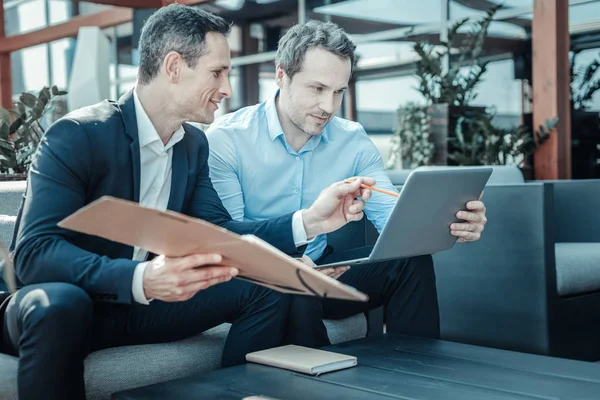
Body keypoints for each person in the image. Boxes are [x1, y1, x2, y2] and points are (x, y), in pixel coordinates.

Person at [2, 7, 375, 400]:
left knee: (264, 288)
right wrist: (140, 279)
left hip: (138, 305)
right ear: (174, 66)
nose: (228, 88)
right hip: (59, 304)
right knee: (61, 302)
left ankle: (239, 394)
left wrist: (311, 221)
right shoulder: (79, 135)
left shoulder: (192, 145)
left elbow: (221, 235)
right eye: (218, 72)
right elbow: (33, 254)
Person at [206, 20, 488, 348]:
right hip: (259, 282)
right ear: (281, 75)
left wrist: (451, 223)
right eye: (317, 88)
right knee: (296, 287)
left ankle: (418, 378)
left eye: (339, 91)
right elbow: (234, 241)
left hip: (325, 268)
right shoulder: (228, 140)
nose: (329, 106)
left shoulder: (352, 140)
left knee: (411, 262)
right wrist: (298, 270)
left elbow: (397, 225)